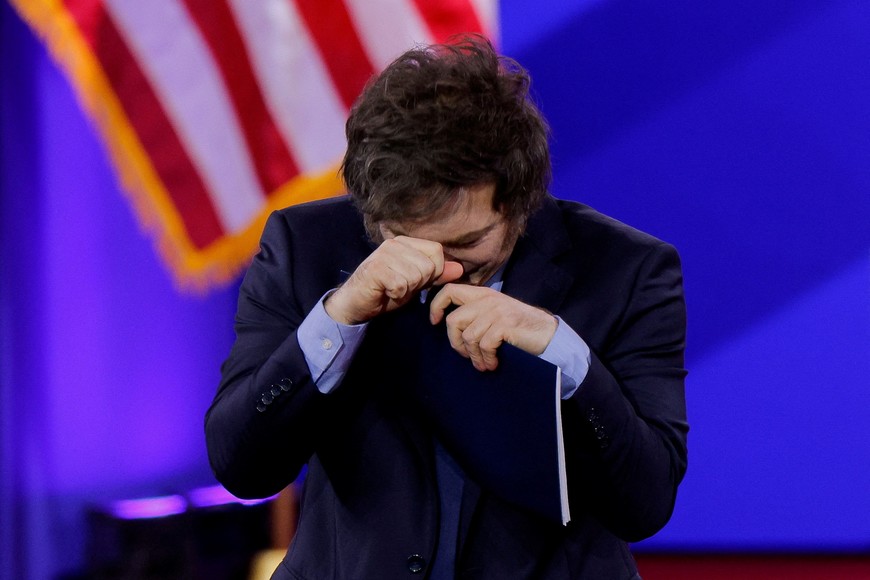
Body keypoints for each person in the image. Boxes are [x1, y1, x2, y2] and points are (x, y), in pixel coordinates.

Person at [205, 36, 687, 580]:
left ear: (520, 202)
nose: (439, 269)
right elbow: (241, 468)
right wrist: (337, 320)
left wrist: (560, 349)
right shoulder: (305, 246)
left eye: (467, 244)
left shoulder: (626, 269)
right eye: (406, 240)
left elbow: (645, 504)